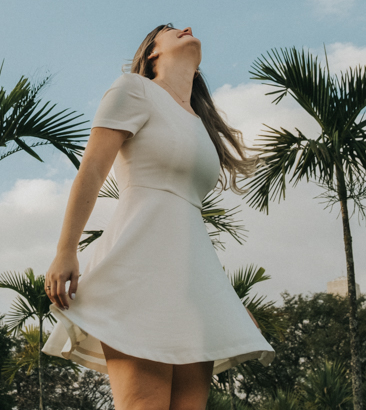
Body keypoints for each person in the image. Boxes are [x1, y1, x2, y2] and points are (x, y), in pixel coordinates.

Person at [43, 24, 273, 410]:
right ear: (152, 53)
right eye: (172, 30)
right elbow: (92, 172)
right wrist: (66, 249)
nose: (187, 29)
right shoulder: (133, 90)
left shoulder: (201, 126)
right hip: (138, 272)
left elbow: (185, 222)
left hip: (192, 291)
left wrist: (225, 299)